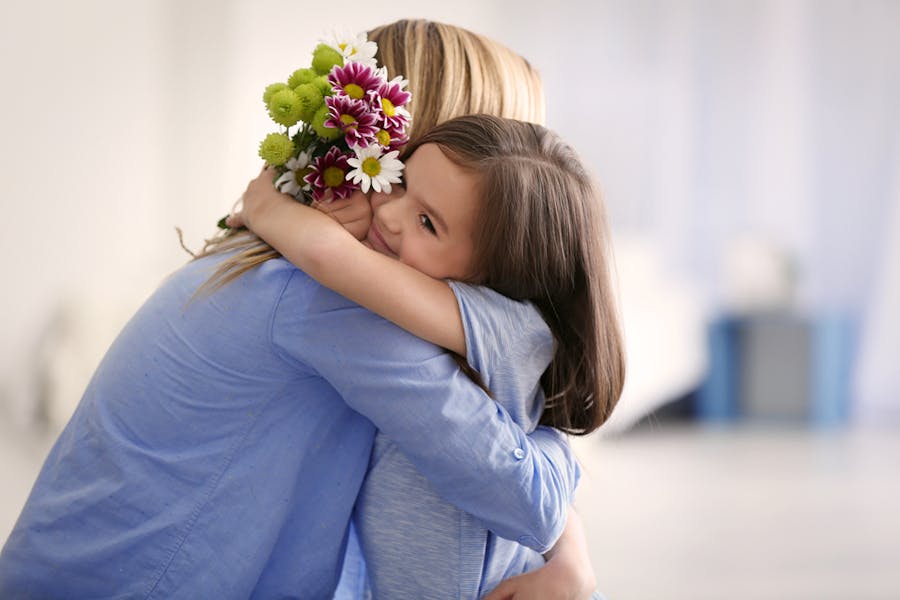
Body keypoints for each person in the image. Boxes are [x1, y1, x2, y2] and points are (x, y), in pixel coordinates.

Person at [0, 19, 606, 600]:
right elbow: (523, 490)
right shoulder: (330, 300)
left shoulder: (274, 261)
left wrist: (569, 546)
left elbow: (494, 435)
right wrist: (569, 551)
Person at [231, 113, 624, 598]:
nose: (389, 216)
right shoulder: (446, 313)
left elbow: (328, 256)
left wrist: (264, 204)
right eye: (399, 183)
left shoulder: (506, 322)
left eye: (427, 223)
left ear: (494, 277)